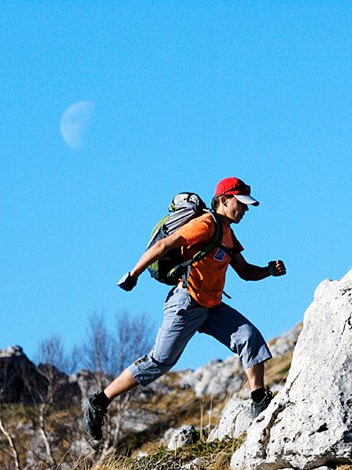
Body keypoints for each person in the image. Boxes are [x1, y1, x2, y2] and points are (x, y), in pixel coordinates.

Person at [82, 177, 286, 442]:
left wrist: (269, 271)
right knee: (159, 361)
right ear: (224, 200)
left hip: (212, 306)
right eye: (241, 203)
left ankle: (259, 402)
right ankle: (99, 401)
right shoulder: (204, 224)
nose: (245, 209)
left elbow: (245, 272)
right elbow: (163, 246)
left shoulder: (228, 235)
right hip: (186, 303)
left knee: (249, 337)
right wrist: (133, 274)